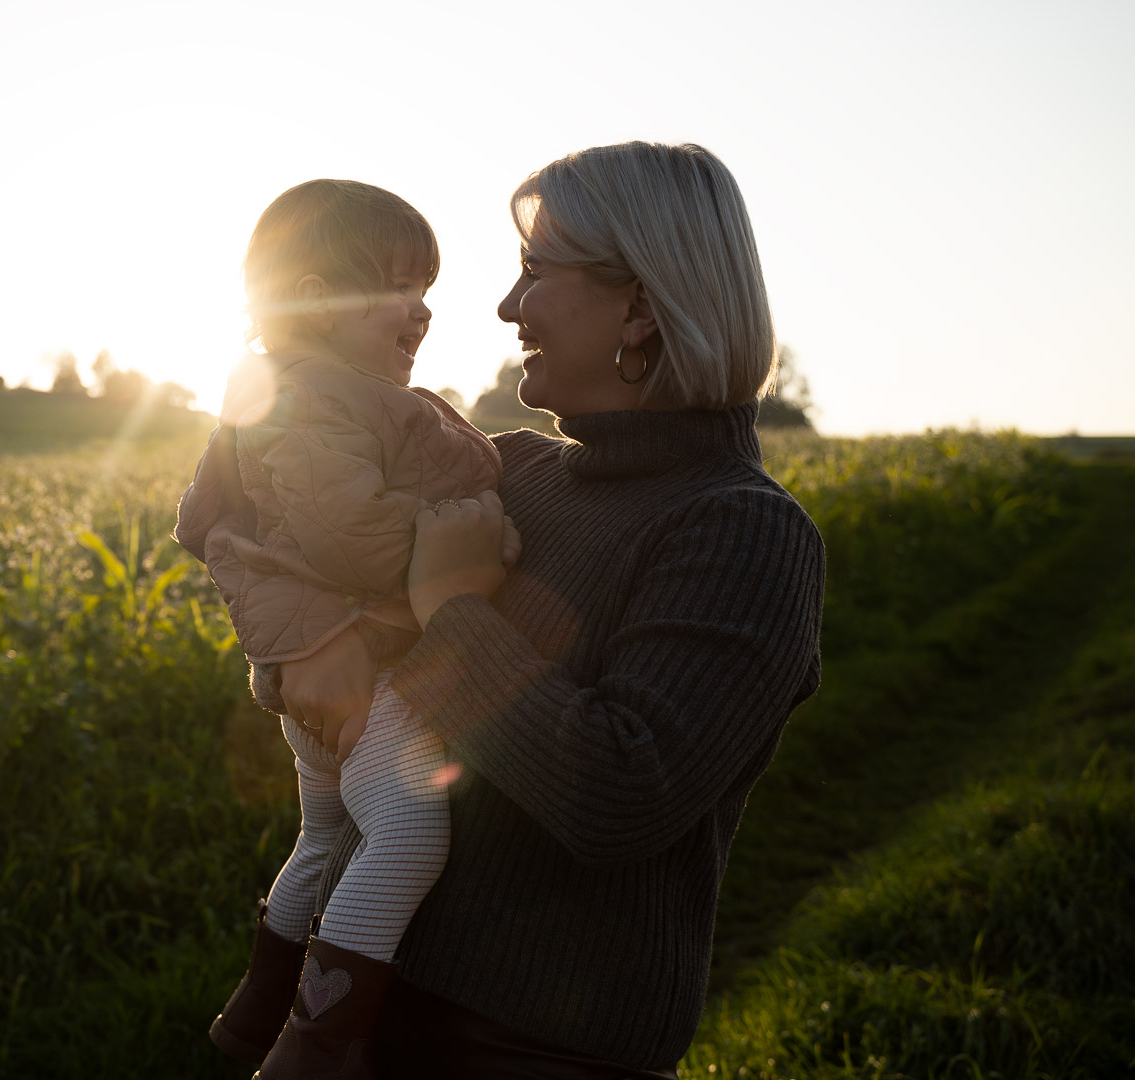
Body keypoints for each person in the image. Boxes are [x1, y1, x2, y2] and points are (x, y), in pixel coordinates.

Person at [270, 142, 826, 1078]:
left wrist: (450, 609)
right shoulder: (511, 474)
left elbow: (620, 795)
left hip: (532, 1049)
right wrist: (300, 653)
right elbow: (284, 529)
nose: (504, 306)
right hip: (362, 1005)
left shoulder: (741, 531)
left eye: (534, 271)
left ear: (640, 304)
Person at [174, 179, 510, 1076]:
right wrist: (468, 546)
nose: (422, 313)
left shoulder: (315, 392)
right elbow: (346, 532)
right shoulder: (317, 396)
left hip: (323, 668)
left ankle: (258, 1008)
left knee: (325, 838)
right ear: (316, 299)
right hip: (376, 669)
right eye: (400, 290)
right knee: (407, 835)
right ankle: (318, 1046)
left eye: (428, 294)